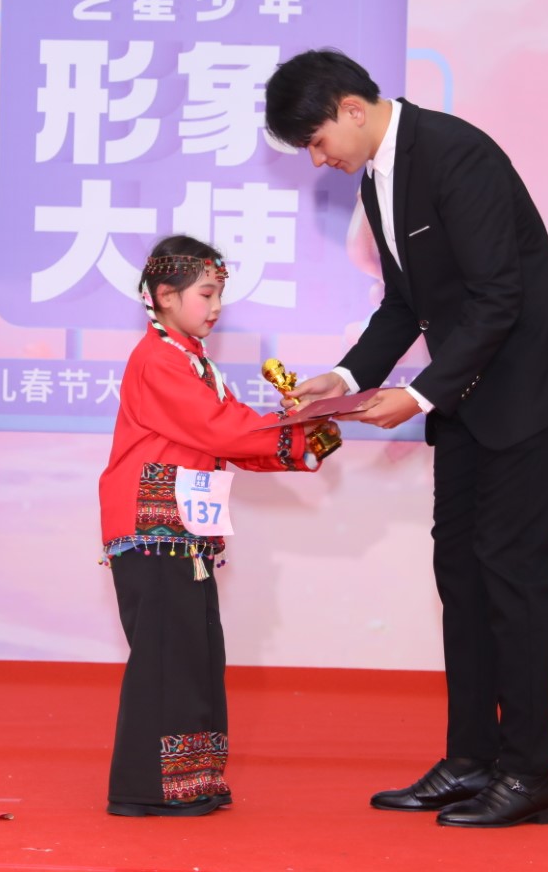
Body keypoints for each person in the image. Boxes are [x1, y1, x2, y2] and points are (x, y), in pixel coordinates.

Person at [264, 49, 548, 828]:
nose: (318, 160)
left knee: (512, 571)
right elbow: (405, 304)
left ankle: (529, 774)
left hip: (531, 381)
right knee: (460, 567)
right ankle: (470, 760)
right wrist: (346, 378)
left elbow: (499, 296)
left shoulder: (458, 154)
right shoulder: (377, 177)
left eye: (316, 141)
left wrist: (419, 395)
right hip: (468, 387)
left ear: (352, 108)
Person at [98, 234, 340, 817]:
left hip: (180, 530)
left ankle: (192, 780)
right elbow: (220, 429)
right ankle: (148, 788)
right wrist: (298, 433)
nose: (216, 306)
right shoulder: (158, 360)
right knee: (167, 655)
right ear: (165, 295)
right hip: (152, 527)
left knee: (195, 652)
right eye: (206, 293)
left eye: (218, 294)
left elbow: (227, 432)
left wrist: (302, 441)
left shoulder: (191, 362)